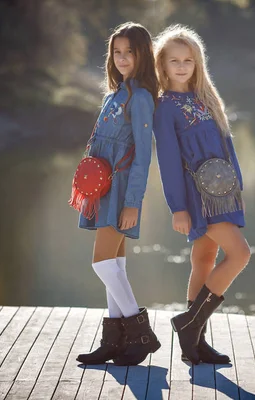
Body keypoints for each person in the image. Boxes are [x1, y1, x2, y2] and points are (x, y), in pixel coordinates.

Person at [153, 24, 251, 365]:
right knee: (240, 254)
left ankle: (194, 344)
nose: (181, 66)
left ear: (198, 64)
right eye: (174, 60)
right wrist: (178, 207)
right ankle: (190, 322)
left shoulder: (205, 98)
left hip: (223, 193)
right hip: (197, 197)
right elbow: (167, 160)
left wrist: (237, 188)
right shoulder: (164, 107)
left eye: (188, 60)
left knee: (204, 259)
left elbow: (227, 146)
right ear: (162, 65)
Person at [74, 22, 160, 366]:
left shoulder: (140, 98)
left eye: (130, 52)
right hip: (103, 188)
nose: (122, 58)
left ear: (143, 55)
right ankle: (114, 341)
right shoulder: (114, 94)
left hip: (121, 189)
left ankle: (142, 335)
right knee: (117, 264)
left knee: (103, 263)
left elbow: (143, 153)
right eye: (117, 52)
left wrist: (133, 203)